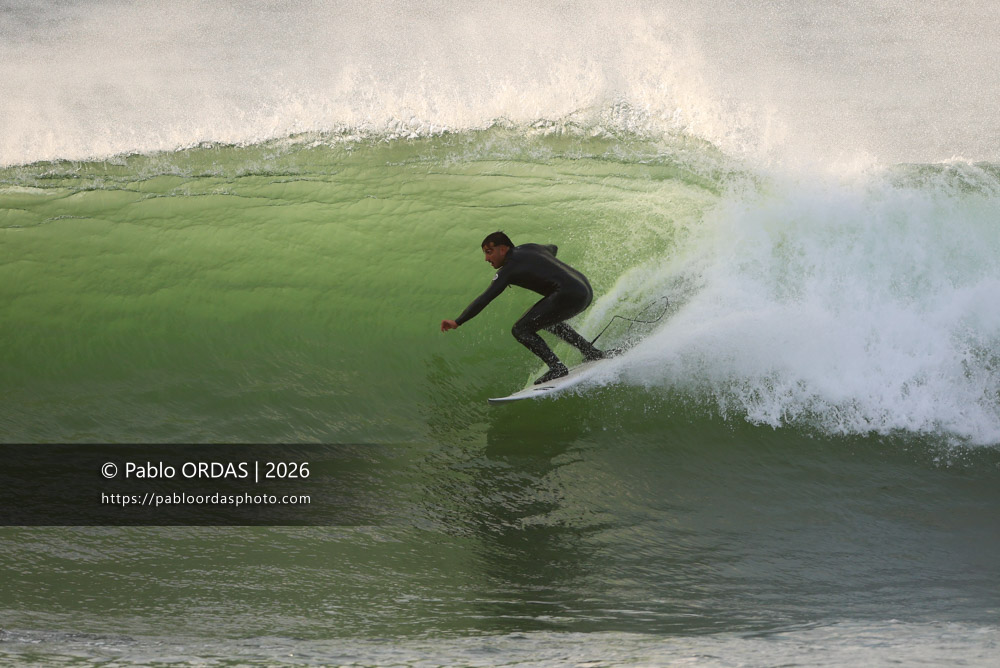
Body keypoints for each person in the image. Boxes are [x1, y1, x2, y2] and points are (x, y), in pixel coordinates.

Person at [440, 231, 609, 384]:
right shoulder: (531, 248)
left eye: (489, 252)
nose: (486, 258)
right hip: (584, 291)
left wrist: (458, 321)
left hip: (568, 294)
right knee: (545, 321)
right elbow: (553, 248)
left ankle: (557, 367)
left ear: (504, 249)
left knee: (520, 329)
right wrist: (544, 266)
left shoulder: (508, 270)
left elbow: (485, 298)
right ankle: (590, 352)